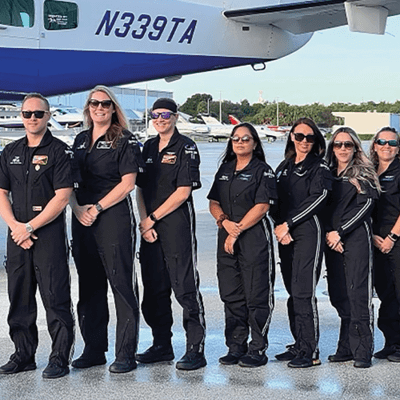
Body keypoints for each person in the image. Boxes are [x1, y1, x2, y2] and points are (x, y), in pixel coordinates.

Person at [70, 85, 144, 373]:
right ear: (88, 107)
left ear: (113, 109)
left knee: (122, 285)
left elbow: (128, 183)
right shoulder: (79, 140)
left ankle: (125, 353)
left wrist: (97, 208)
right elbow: (68, 182)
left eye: (105, 104)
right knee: (89, 286)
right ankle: (93, 349)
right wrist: (77, 209)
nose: (99, 108)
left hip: (112, 217)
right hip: (82, 218)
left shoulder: (124, 139)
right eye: (94, 103)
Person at [0, 93, 74, 379]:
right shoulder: (10, 151)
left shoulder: (59, 151)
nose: (32, 118)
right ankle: (23, 354)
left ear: (48, 115)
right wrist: (17, 227)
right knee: (19, 297)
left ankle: (59, 358)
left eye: (38, 114)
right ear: (21, 117)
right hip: (17, 236)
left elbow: (63, 196)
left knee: (55, 298)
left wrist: (30, 227)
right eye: (27, 113)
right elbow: (2, 193)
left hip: (48, 235)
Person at [136, 98, 206, 371]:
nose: (160, 119)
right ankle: (162, 344)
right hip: (150, 226)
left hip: (175, 224)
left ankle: (195, 348)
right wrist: (144, 221)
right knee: (154, 288)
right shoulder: (149, 147)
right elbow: (140, 188)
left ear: (175, 117)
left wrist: (153, 218)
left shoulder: (186, 146)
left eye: (165, 114)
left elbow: (183, 191)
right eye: (155, 114)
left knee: (184, 286)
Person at [208, 123, 277, 368]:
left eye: (245, 139)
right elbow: (214, 201)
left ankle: (257, 349)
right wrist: (224, 222)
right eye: (236, 139)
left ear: (254, 143)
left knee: (256, 294)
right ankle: (236, 346)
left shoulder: (263, 170)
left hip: (253, 238)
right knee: (231, 294)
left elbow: (262, 206)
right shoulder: (225, 169)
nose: (239, 142)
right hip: (226, 237)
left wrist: (236, 231)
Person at [270, 117, 331, 368]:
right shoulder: (284, 166)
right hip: (285, 234)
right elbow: (272, 198)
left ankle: (310, 351)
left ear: (316, 140)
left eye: (309, 137)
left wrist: (289, 223)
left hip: (307, 231)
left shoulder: (320, 167)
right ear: (292, 137)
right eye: (299, 136)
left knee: (304, 292)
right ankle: (298, 344)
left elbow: (320, 198)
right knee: (293, 293)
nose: (304, 141)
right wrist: (279, 226)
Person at [325, 127, 380, 368]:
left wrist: (341, 232)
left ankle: (362, 350)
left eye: (348, 144)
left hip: (355, 237)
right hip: (332, 240)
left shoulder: (363, 174)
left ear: (356, 147)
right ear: (332, 148)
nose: (343, 149)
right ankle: (345, 346)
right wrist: (331, 234)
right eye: (338, 144)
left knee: (358, 293)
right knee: (339, 294)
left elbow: (365, 205)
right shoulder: (327, 173)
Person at [369, 127, 400, 362]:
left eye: (392, 142)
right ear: (375, 145)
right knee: (385, 293)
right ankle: (390, 342)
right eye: (382, 141)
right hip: (375, 241)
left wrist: (392, 237)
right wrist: (372, 236)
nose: (386, 146)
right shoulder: (369, 171)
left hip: (396, 241)